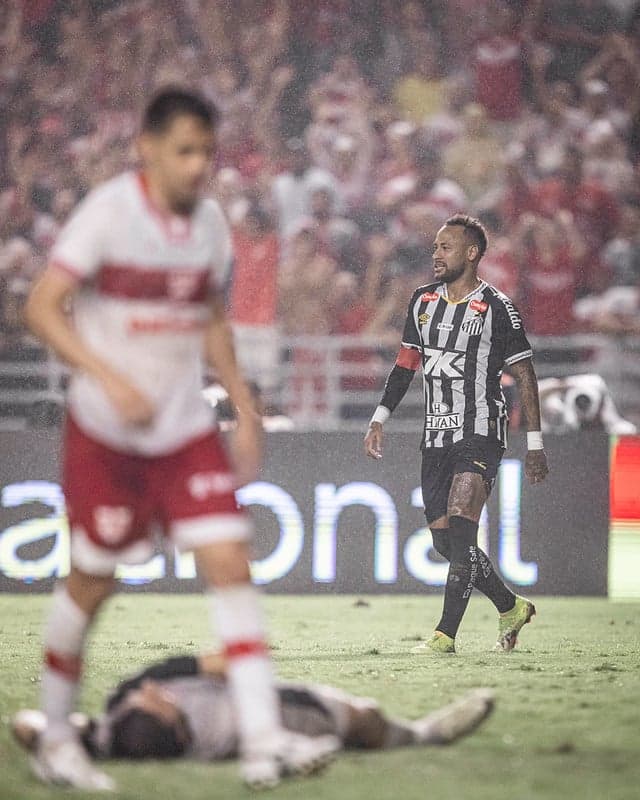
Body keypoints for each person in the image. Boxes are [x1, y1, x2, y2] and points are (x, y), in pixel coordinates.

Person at [23, 88, 338, 792]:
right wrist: (108, 377)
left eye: (207, 151)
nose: (199, 166)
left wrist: (246, 409)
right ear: (148, 147)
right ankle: (55, 740)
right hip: (107, 432)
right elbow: (40, 308)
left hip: (183, 427)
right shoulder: (108, 214)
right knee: (92, 583)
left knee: (229, 560)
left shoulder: (211, 226)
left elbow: (211, 319)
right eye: (185, 151)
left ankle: (263, 742)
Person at [364, 214, 549, 655]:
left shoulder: (498, 308)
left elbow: (525, 375)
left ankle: (444, 636)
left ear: (471, 254)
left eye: (446, 247)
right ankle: (510, 605)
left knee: (464, 529)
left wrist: (535, 443)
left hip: (481, 430)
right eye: (435, 247)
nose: (436, 254)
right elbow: (406, 365)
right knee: (446, 543)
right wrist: (379, 417)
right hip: (435, 436)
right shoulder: (422, 302)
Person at [11, 652, 495, 763]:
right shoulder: (122, 738)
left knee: (360, 724)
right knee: (360, 720)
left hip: (253, 707)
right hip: (266, 715)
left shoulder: (118, 708)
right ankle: (425, 735)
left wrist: (37, 730)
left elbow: (27, 722)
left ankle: (418, 733)